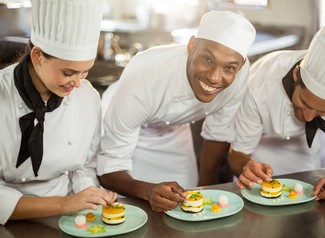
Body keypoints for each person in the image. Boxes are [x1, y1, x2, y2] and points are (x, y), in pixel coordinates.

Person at [97, 10, 256, 212]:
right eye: (207, 59)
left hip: (175, 129)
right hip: (129, 129)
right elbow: (109, 168)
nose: (215, 77)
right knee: (129, 209)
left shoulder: (240, 74)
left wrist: (203, 190)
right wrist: (147, 191)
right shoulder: (145, 78)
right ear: (191, 46)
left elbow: (218, 131)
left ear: (240, 66)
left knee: (187, 201)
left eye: (229, 68)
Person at [0, 0, 117, 225]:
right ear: (37, 56)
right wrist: (63, 204)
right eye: (68, 72)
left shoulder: (88, 98)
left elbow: (85, 165)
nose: (77, 84)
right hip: (9, 221)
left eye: (85, 72)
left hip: (69, 220)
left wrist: (91, 198)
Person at [229, 20, 325, 200]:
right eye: (304, 103)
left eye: (321, 112)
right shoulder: (258, 87)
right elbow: (237, 154)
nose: (308, 118)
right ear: (297, 74)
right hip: (261, 150)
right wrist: (246, 167)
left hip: (306, 152)